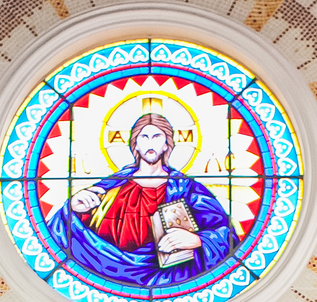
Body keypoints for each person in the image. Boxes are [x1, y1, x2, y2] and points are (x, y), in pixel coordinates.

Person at [47, 112, 233, 291]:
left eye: (157, 137)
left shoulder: (186, 189)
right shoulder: (111, 186)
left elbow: (227, 235)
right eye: (144, 137)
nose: (150, 143)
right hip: (106, 273)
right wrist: (72, 208)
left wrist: (198, 240)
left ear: (167, 145)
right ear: (134, 145)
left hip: (172, 278)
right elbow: (67, 233)